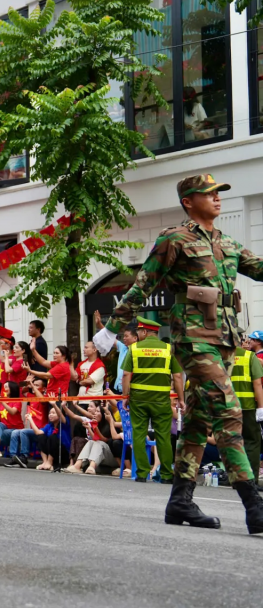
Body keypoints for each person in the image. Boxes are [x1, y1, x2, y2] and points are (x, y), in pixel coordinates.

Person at [95, 173, 263, 534]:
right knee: (229, 409)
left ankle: (180, 501)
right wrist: (111, 329)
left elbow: (260, 268)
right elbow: (144, 285)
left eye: (219, 192)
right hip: (193, 339)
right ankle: (254, 504)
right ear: (189, 201)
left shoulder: (228, 243)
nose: (217, 198)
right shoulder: (175, 239)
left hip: (225, 341)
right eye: (209, 193)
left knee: (200, 421)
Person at [121, 317, 183, 483]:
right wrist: (181, 398)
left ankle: (141, 473)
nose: (138, 335)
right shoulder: (168, 349)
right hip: (161, 401)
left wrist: (125, 397)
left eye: (139, 332)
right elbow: (177, 376)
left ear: (145, 332)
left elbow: (126, 375)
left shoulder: (134, 349)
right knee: (163, 437)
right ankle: (166, 475)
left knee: (139, 435)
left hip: (139, 400)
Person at [230, 346, 263, 485]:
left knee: (232, 442)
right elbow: (257, 383)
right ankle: (250, 480)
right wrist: (261, 407)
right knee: (252, 442)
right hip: (248, 407)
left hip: (228, 407)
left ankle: (234, 479)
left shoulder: (221, 356)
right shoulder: (249, 356)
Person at [35, 404, 70, 471]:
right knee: (41, 437)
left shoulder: (64, 424)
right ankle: (45, 462)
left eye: (53, 413)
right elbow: (38, 432)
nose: (50, 415)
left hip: (62, 454)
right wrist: (30, 419)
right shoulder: (49, 426)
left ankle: (49, 462)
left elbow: (61, 417)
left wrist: (54, 404)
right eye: (50, 413)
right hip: (51, 453)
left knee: (52, 437)